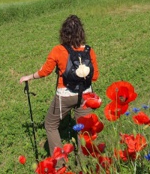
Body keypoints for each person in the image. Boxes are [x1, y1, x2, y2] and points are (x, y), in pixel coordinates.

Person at [19, 14, 99, 160]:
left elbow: (45, 72)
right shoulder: (89, 50)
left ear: (63, 33)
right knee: (84, 128)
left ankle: (60, 164)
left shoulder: (58, 50)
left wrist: (29, 77)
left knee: (50, 124)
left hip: (65, 96)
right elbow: (95, 76)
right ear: (81, 32)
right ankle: (85, 164)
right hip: (86, 96)